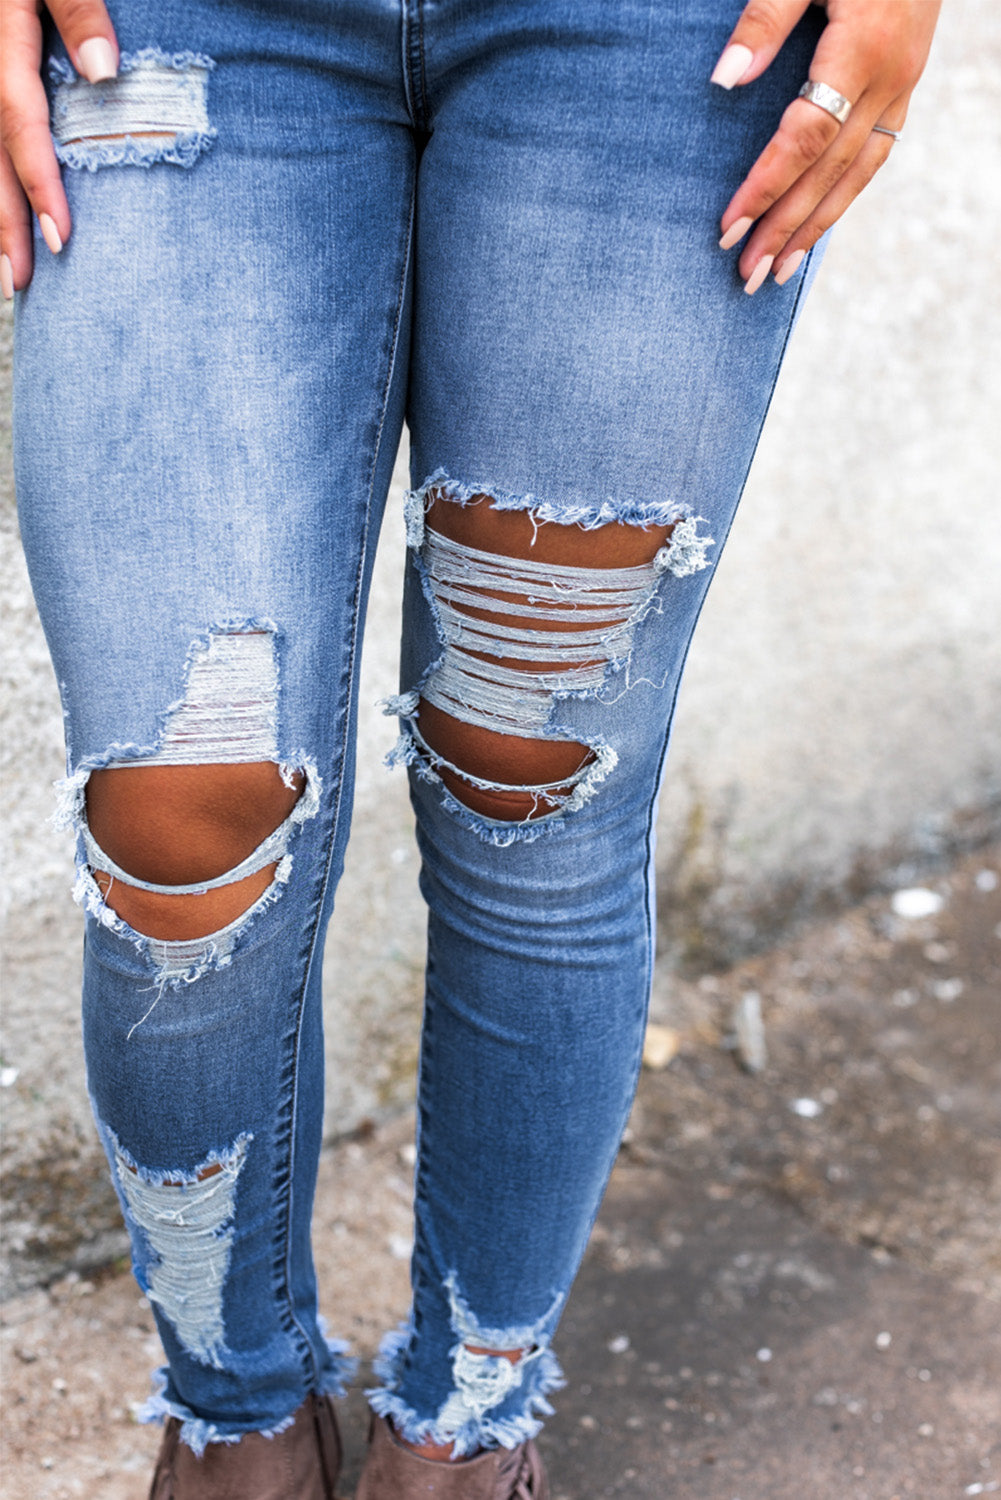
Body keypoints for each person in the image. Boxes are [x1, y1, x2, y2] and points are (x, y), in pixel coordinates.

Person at [1, 1, 942, 1496]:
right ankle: (238, 1420)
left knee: (532, 779)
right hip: (173, 27)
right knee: (171, 808)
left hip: (659, 47)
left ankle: (459, 1432)